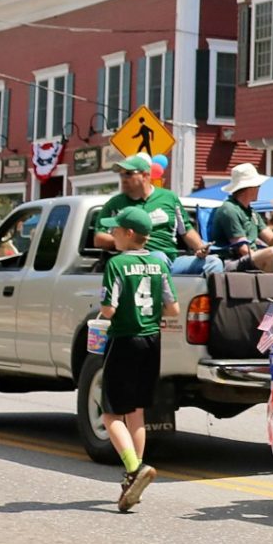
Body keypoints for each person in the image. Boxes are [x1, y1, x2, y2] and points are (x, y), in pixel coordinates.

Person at [95, 204, 178, 513]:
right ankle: (134, 477)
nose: (111, 234)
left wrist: (103, 313)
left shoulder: (117, 264)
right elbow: (173, 309)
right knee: (137, 412)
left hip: (124, 338)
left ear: (129, 234)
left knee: (111, 414)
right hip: (151, 339)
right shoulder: (159, 264)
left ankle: (134, 469)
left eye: (115, 229)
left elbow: (109, 310)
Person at [207, 163, 266, 263]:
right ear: (250, 187)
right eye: (258, 186)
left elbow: (271, 238)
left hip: (251, 258)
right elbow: (242, 249)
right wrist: (264, 259)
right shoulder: (229, 209)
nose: (259, 189)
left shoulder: (252, 212)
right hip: (234, 262)